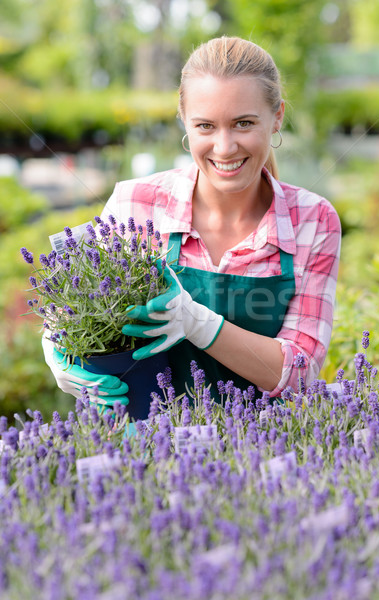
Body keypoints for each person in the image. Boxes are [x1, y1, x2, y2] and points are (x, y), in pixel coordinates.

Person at [43, 36, 341, 412]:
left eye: (243, 123)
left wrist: (196, 322)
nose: (225, 146)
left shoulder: (312, 220)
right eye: (205, 126)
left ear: (277, 116)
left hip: (257, 459)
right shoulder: (136, 204)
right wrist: (56, 350)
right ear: (184, 120)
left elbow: (300, 371)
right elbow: (72, 306)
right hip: (143, 450)